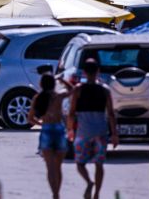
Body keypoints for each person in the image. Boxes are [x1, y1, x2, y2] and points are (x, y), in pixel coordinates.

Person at [67, 58, 118, 199]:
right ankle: (97, 194)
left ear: (84, 72)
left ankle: (89, 182)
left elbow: (71, 112)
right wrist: (114, 134)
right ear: (98, 72)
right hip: (101, 131)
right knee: (99, 164)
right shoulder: (105, 90)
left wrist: (70, 129)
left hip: (84, 132)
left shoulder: (78, 89)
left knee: (80, 163)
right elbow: (111, 114)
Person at [28, 73, 74, 199]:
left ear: (41, 84)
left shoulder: (38, 98)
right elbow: (72, 90)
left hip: (47, 129)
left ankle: (54, 194)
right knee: (58, 166)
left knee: (50, 167)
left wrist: (41, 123)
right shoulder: (58, 96)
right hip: (59, 130)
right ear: (53, 84)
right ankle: (57, 193)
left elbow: (30, 118)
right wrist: (62, 80)